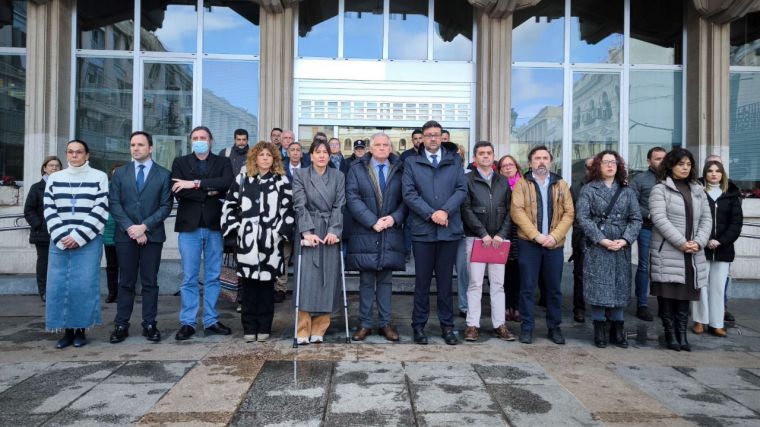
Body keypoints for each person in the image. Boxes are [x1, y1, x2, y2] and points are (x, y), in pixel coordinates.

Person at [222, 141, 295, 342]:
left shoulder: (281, 181)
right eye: (261, 155)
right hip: (247, 243)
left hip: (270, 243)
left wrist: (278, 232)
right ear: (254, 158)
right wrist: (239, 228)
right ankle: (248, 327)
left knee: (266, 288)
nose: (264, 158)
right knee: (249, 287)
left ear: (274, 159)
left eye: (268, 155)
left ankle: (264, 327)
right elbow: (229, 205)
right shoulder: (243, 179)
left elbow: (288, 211)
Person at [403, 120, 467, 346]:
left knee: (445, 283)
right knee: (421, 282)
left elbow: (462, 189)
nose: (432, 138)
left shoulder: (454, 160)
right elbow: (409, 194)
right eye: (428, 135)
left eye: (436, 135)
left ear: (442, 137)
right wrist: (432, 214)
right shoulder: (412, 162)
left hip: (449, 231)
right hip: (423, 232)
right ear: (422, 138)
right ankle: (419, 326)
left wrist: (445, 211)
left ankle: (447, 326)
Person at [107, 131, 173, 344]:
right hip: (125, 237)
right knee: (125, 282)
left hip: (152, 237)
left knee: (150, 282)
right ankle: (121, 324)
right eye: (133, 145)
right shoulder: (120, 174)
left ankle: (150, 324)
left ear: (151, 148)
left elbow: (166, 206)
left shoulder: (163, 174)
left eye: (141, 145)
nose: (136, 148)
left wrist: (144, 227)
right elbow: (114, 204)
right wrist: (131, 229)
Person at [43, 140, 109, 348]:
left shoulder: (99, 177)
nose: (74, 155)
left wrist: (78, 236)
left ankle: (80, 330)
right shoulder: (55, 178)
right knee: (59, 285)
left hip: (87, 240)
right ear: (66, 154)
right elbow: (49, 208)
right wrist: (62, 234)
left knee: (83, 286)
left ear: (87, 155)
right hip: (60, 240)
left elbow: (100, 209)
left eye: (78, 152)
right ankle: (66, 332)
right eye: (70, 152)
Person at [171, 126, 234, 340]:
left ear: (211, 140)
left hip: (214, 225)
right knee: (189, 276)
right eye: (195, 138)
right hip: (189, 226)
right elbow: (180, 191)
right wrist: (210, 192)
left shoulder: (223, 162)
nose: (199, 140)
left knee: (213, 276)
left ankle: (211, 320)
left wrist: (196, 184)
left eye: (203, 138)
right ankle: (187, 322)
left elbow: (227, 184)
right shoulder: (180, 162)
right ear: (191, 141)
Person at [576, 151, 642, 348]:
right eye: (606, 162)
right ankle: (599, 328)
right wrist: (601, 239)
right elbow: (583, 217)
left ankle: (618, 328)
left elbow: (636, 219)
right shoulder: (589, 189)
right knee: (599, 286)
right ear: (598, 166)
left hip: (621, 245)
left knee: (620, 286)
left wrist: (625, 239)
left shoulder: (627, 191)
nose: (610, 166)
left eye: (613, 162)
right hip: (599, 244)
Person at [649, 148, 712, 352]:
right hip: (668, 252)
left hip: (692, 254)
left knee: (685, 298)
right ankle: (670, 336)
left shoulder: (698, 189)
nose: (685, 168)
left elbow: (706, 219)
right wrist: (681, 242)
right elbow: (659, 219)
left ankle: (683, 336)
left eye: (688, 164)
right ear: (671, 165)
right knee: (668, 297)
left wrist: (699, 242)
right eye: (680, 164)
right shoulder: (660, 189)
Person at [346, 133, 407, 342]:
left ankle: (385, 323)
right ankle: (364, 324)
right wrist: (373, 221)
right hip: (366, 231)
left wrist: (395, 218)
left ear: (390, 148)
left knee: (386, 281)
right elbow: (352, 198)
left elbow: (406, 198)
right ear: (371, 148)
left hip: (390, 232)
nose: (382, 148)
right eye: (378, 145)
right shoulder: (356, 168)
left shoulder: (400, 169)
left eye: (385, 145)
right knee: (365, 281)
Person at [511, 145, 574, 345]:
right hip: (530, 244)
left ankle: (554, 327)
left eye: (545, 158)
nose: (541, 161)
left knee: (554, 289)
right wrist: (536, 236)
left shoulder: (561, 184)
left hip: (554, 245)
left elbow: (569, 213)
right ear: (530, 163)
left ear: (551, 161)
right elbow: (517, 212)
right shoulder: (522, 184)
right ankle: (527, 327)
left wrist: (554, 236)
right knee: (527, 288)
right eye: (537, 158)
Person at [292, 138, 346, 345]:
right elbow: (299, 204)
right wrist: (306, 231)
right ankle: (302, 328)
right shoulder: (301, 175)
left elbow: (339, 205)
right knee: (305, 280)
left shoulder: (338, 176)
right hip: (310, 229)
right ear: (311, 155)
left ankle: (320, 328)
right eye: (318, 152)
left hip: (329, 230)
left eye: (325, 152)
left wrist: (334, 230)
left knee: (328, 279)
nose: (322, 155)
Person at [461, 141, 515, 342]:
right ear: (475, 158)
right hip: (477, 239)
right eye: (481, 153)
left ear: (493, 157)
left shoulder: (503, 181)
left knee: (498, 285)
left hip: (499, 241)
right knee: (475, 283)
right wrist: (483, 233)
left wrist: (501, 234)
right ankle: (472, 325)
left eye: (489, 153)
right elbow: (465, 209)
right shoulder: (467, 180)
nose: (485, 156)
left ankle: (499, 325)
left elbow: (510, 211)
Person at [692, 160, 743, 337]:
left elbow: (736, 224)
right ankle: (700, 320)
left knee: (718, 287)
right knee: (701, 285)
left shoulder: (731, 195)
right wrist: (704, 240)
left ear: (723, 174)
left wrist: (720, 241)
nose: (714, 174)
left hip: (723, 248)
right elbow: (694, 220)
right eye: (710, 171)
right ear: (705, 173)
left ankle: (716, 323)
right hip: (701, 246)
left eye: (718, 171)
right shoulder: (697, 193)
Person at [630, 147, 666, 322]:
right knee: (644, 266)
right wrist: (649, 214)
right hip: (647, 228)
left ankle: (664, 304)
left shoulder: (672, 179)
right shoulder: (640, 179)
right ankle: (642, 305)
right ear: (649, 161)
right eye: (658, 158)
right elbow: (632, 203)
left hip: (668, 230)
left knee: (663, 267)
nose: (661, 161)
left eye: (663, 158)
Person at [24, 155, 62, 302]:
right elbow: (29, 209)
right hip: (43, 233)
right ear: (44, 168)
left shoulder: (64, 185)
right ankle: (44, 291)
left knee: (59, 264)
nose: (54, 168)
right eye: (51, 165)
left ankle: (57, 291)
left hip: (61, 232)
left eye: (57, 166)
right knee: (44, 263)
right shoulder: (36, 187)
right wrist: (39, 225)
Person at [497, 154, 522, 322]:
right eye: (504, 166)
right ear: (499, 170)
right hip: (502, 232)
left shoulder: (525, 185)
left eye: (510, 164)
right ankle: (505, 307)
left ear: (517, 167)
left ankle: (517, 307)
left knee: (519, 272)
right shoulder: (497, 186)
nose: (507, 167)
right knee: (503, 274)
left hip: (521, 233)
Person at [569, 157, 593, 322]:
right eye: (590, 167)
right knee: (580, 274)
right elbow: (571, 213)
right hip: (581, 235)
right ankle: (579, 308)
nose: (593, 170)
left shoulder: (613, 186)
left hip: (605, 236)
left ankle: (605, 309)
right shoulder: (576, 187)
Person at [401, 129, 424, 261]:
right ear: (412, 140)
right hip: (409, 195)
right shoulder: (405, 155)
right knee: (408, 225)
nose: (418, 141)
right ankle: (406, 252)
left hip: (424, 196)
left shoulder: (426, 154)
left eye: (420, 138)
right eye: (415, 138)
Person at [453, 143, 470, 318]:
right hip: (445, 227)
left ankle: (465, 306)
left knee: (464, 270)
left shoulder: (468, 177)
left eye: (459, 155)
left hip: (465, 231)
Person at [102, 164, 122, 304]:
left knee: (127, 266)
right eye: (115, 173)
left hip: (125, 231)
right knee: (112, 266)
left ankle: (126, 293)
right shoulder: (105, 188)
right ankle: (112, 293)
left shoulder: (130, 187)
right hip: (109, 231)